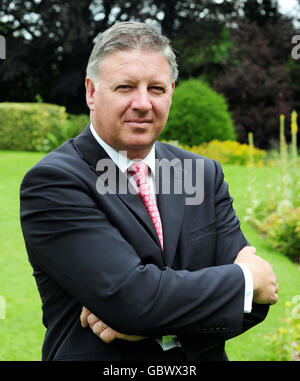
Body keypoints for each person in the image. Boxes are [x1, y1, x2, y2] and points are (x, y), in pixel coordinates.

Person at [20, 21, 278, 361]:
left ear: (171, 90)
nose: (143, 103)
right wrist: (245, 279)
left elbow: (257, 305)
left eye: (156, 89)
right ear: (92, 92)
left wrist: (152, 317)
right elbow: (133, 300)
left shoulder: (201, 174)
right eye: (125, 87)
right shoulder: (54, 182)